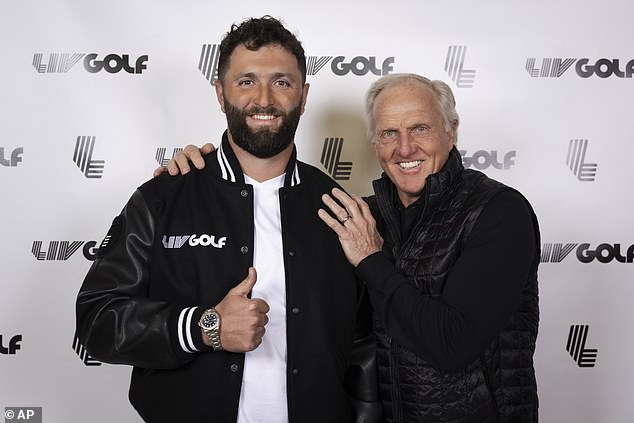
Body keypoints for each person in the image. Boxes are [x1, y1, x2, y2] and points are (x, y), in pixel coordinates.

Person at [170, 73, 540, 422]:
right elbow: (269, 218)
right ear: (374, 143)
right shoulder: (362, 214)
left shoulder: (498, 211)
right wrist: (198, 176)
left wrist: (370, 259)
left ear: (451, 131)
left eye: (420, 129)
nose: (405, 147)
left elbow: (451, 344)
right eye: (389, 133)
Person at [75, 16, 380, 423]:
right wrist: (205, 326)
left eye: (282, 82)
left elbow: (364, 343)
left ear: (304, 96)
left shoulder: (339, 207)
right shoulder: (165, 196)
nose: (265, 99)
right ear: (220, 93)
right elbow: (97, 322)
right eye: (247, 81)